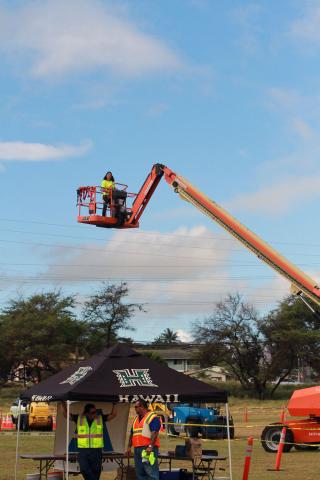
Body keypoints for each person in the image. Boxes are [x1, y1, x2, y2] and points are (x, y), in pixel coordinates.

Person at [62, 401, 117, 480]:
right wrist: (62, 402)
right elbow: (65, 414)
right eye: (93, 412)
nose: (95, 414)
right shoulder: (79, 418)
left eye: (96, 411)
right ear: (86, 413)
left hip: (96, 451)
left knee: (96, 471)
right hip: (83, 451)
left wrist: (114, 403)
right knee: (84, 470)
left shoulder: (100, 418)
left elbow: (113, 415)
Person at [127, 399, 161, 480]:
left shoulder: (152, 417)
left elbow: (154, 432)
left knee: (150, 472)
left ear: (142, 407)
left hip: (147, 450)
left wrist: (150, 446)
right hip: (137, 450)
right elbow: (132, 433)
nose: (135, 408)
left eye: (136, 407)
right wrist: (129, 447)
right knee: (140, 473)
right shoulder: (136, 419)